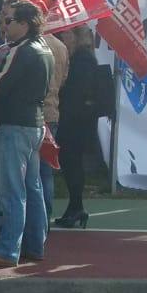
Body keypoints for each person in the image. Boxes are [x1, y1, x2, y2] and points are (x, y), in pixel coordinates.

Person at [0, 0, 54, 268]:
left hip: (15, 125)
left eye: (9, 21)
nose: (4, 25)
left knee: (12, 191)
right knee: (33, 187)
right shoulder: (44, 48)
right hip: (34, 124)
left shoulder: (21, 50)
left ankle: (7, 250)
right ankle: (34, 245)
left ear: (24, 23)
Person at [54, 26, 105, 228]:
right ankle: (75, 207)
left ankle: (76, 207)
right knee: (70, 163)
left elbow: (78, 91)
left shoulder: (82, 59)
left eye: (66, 33)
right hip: (77, 119)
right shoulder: (82, 57)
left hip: (75, 120)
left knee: (72, 162)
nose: (63, 36)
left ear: (75, 37)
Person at [39, 28, 69, 220]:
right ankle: (45, 215)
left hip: (34, 113)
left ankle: (36, 218)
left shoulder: (33, 44)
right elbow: (64, 79)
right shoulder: (61, 46)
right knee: (46, 170)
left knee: (31, 172)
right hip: (52, 111)